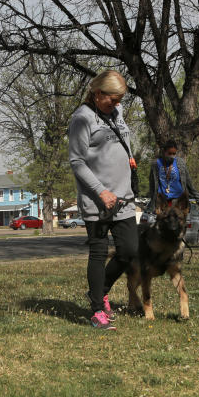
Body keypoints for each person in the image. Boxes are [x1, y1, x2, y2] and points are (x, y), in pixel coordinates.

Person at [68, 69, 139, 330]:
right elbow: (77, 161)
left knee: (130, 250)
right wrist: (101, 191)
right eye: (113, 98)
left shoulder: (116, 114)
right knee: (98, 252)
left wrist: (129, 158)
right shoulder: (82, 119)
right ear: (98, 94)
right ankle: (97, 309)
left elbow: (122, 139)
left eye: (120, 99)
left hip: (124, 198)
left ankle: (101, 289)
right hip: (97, 200)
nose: (117, 104)